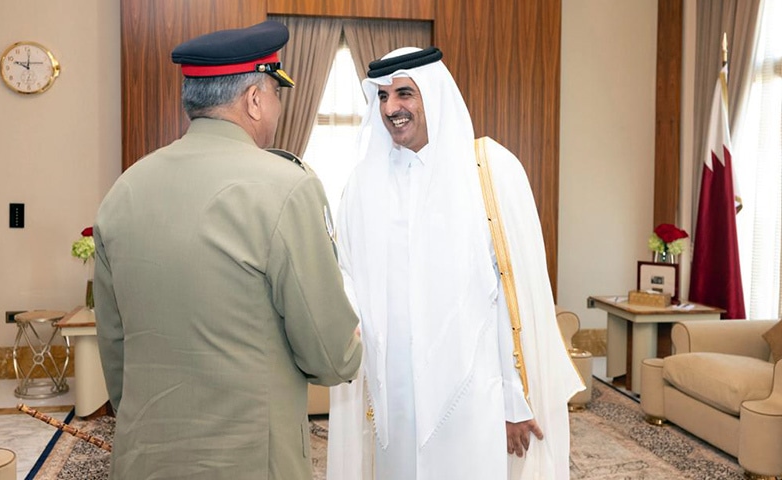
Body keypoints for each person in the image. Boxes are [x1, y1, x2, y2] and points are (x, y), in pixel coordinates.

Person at [93, 20, 362, 480]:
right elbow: (331, 358)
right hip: (250, 461)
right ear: (255, 100)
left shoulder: (125, 189)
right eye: (276, 94)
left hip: (143, 458)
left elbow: (115, 349)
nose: (277, 108)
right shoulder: (287, 187)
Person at [326, 47, 584, 480]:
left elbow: (510, 297)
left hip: (471, 396)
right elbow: (347, 277)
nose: (392, 108)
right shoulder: (362, 186)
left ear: (434, 94)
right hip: (397, 401)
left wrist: (514, 400)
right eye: (383, 97)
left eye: (405, 93)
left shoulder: (488, 172)